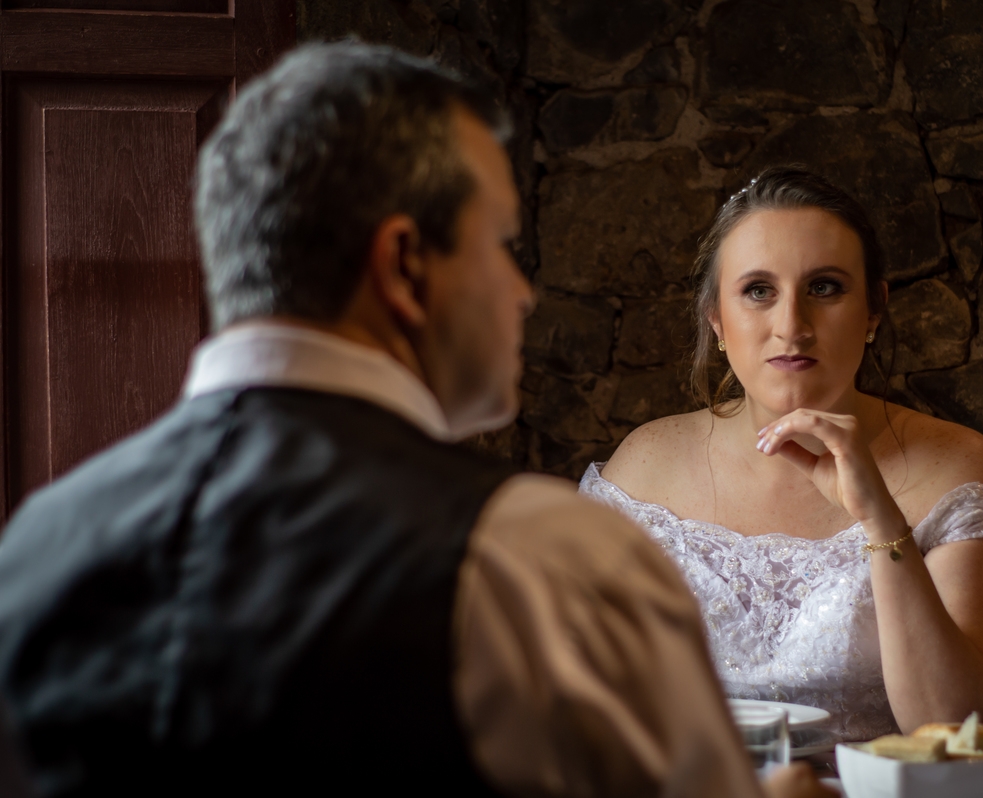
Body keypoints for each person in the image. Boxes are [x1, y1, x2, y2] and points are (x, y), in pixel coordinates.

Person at [0, 45, 832, 797]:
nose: (523, 291)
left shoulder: (35, 546)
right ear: (404, 264)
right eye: (501, 244)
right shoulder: (543, 560)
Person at [581, 167, 983, 743]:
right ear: (716, 317)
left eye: (825, 287)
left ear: (873, 311)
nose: (792, 326)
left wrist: (882, 521)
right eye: (758, 291)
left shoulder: (956, 463)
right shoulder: (644, 465)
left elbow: (954, 724)